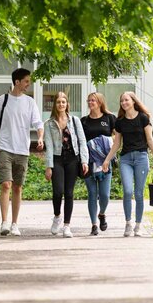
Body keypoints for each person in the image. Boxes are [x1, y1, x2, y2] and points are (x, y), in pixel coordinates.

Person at [0, 68, 44, 236]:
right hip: (4, 147)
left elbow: (38, 124)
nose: (28, 84)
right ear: (17, 82)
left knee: (17, 187)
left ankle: (14, 224)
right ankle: (4, 222)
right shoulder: (2, 100)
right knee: (6, 184)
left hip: (22, 150)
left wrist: (40, 138)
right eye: (26, 81)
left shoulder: (30, 102)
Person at [102, 91, 153, 237]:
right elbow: (116, 144)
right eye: (122, 101)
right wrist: (107, 159)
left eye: (126, 100)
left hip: (141, 158)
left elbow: (150, 139)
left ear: (133, 101)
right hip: (126, 159)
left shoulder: (143, 118)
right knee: (128, 191)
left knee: (139, 193)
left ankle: (138, 225)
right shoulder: (119, 122)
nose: (124, 103)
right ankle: (128, 223)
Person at [44, 92, 89, 238]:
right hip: (57, 159)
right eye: (58, 102)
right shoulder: (49, 124)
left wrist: (84, 161)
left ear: (67, 104)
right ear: (55, 105)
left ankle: (67, 226)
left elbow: (82, 142)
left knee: (69, 193)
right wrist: (49, 166)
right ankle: (57, 217)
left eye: (63, 102)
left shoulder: (74, 121)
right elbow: (49, 146)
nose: (61, 104)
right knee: (58, 191)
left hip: (72, 159)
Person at [81, 92, 116, 236]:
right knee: (92, 194)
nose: (90, 103)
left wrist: (105, 142)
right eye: (88, 100)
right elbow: (81, 142)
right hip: (89, 162)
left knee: (104, 195)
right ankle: (94, 224)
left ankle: (101, 214)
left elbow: (117, 137)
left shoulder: (109, 118)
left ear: (100, 102)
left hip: (105, 162)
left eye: (93, 100)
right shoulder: (84, 121)